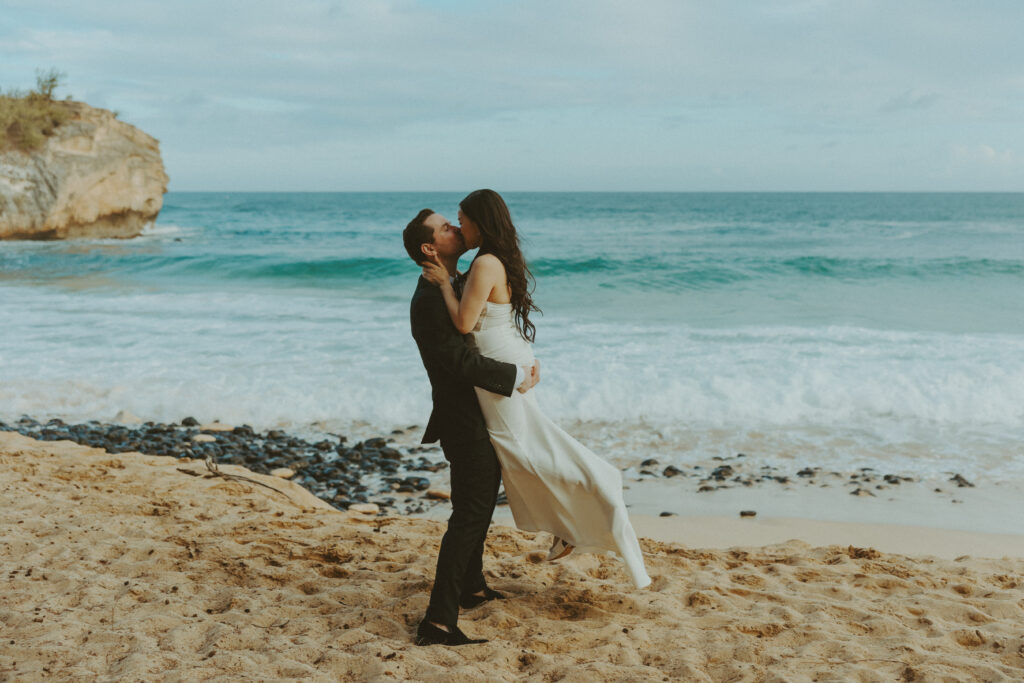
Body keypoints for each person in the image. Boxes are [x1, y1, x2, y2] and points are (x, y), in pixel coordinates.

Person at [420, 189, 651, 590]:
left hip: (502, 364)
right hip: (508, 357)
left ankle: (588, 500)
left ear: (480, 221)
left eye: (462, 218)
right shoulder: (492, 259)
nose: (459, 227)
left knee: (526, 449)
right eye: (452, 222)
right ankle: (567, 523)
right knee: (526, 446)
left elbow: (462, 325)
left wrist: (443, 284)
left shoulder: (486, 262)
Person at [404, 208, 540, 647]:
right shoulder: (427, 299)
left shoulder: (456, 283)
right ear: (430, 248)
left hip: (479, 411)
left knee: (476, 502)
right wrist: (514, 378)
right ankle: (438, 622)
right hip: (462, 417)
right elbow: (459, 362)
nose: (457, 229)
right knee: (470, 513)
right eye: (446, 228)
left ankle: (471, 586)